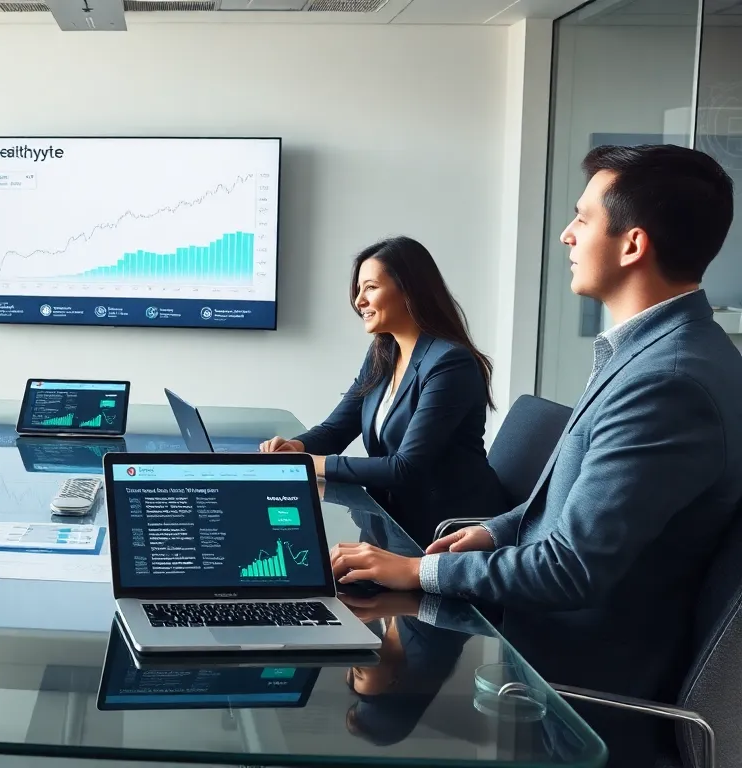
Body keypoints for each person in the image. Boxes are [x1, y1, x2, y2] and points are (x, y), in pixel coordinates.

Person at [328, 145, 742, 764]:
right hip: (546, 651)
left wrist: (416, 572)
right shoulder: (659, 354)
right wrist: (493, 533)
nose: (566, 235)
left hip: (574, 692)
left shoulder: (669, 380)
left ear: (631, 245)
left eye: (582, 218)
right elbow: (575, 504)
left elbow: (572, 568)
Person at [260, 236, 503, 546]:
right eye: (359, 290)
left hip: (440, 530)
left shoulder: (449, 363)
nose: (359, 300)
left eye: (370, 288)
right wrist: (295, 447)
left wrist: (311, 463)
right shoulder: (384, 353)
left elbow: (405, 468)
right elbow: (337, 428)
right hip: (390, 515)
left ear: (408, 290)